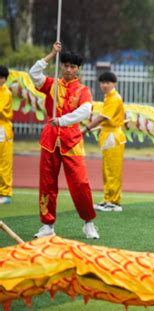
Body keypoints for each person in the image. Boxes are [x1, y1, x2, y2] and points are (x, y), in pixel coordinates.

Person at [29, 42, 99, 239]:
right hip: (50, 140)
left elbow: (85, 111)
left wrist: (62, 120)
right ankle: (47, 225)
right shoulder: (52, 85)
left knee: (80, 183)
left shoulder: (83, 90)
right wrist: (52, 53)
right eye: (65, 65)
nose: (68, 69)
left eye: (72, 66)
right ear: (61, 66)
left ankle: (88, 222)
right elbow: (33, 74)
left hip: (72, 141)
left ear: (78, 69)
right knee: (47, 183)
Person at [83, 71, 126, 212]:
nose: (104, 85)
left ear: (114, 83)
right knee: (107, 169)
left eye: (107, 82)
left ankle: (114, 202)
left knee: (112, 170)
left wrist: (86, 129)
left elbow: (102, 117)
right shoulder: (109, 97)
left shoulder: (114, 98)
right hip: (109, 135)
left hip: (113, 137)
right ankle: (108, 199)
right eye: (102, 83)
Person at [0, 65, 13, 204]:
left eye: (2, 78)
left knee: (4, 162)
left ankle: (5, 193)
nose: (0, 80)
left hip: (3, 129)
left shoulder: (5, 92)